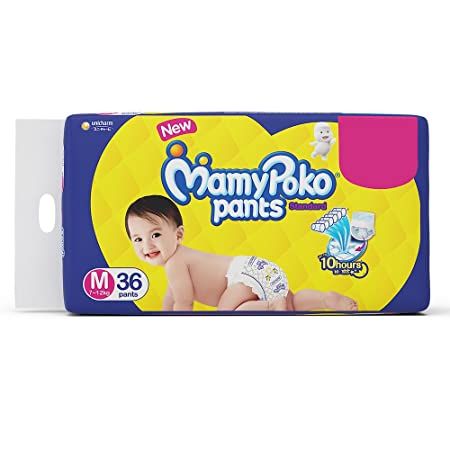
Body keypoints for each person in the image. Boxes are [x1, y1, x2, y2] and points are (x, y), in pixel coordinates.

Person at [125, 195, 358, 312]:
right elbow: (171, 299)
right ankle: (325, 299)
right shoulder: (176, 265)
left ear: (178, 234)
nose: (147, 245)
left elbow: (183, 302)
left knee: (226, 313)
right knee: (292, 303)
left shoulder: (175, 263)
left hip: (242, 276)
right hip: (261, 271)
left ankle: (271, 307)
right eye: (138, 239)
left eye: (155, 235)